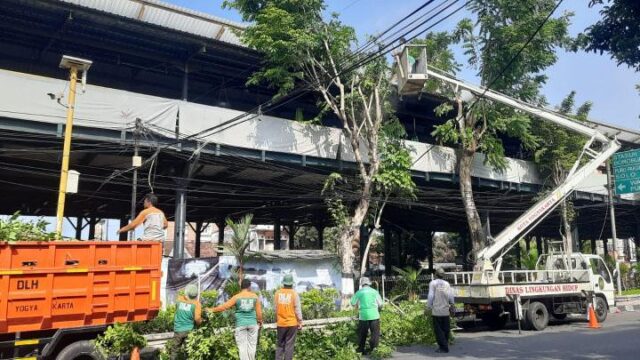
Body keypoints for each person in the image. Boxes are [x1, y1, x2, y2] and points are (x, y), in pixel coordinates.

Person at [210, 279, 263, 360]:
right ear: (249, 287)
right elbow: (259, 313)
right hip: (252, 324)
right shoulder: (255, 297)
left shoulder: (236, 297)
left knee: (242, 348)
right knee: (252, 347)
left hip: (240, 324)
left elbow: (224, 306)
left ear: (241, 287)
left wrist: (212, 310)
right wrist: (259, 321)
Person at [350, 277, 383, 355]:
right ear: (369, 283)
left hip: (363, 316)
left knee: (362, 334)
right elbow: (381, 304)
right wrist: (378, 309)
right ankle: (374, 349)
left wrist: (358, 304)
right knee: (375, 333)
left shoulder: (359, 292)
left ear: (362, 284)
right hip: (374, 315)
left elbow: (352, 303)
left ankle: (361, 350)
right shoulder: (374, 292)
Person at [274, 274, 303, 360]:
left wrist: (278, 318)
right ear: (291, 284)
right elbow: (297, 309)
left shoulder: (277, 293)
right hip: (292, 323)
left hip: (281, 324)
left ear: (283, 283)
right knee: (289, 346)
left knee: (280, 345)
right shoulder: (294, 294)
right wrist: (300, 321)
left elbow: (275, 308)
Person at [427, 267, 455, 353]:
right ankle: (445, 345)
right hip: (445, 311)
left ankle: (443, 347)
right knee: (446, 329)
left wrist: (428, 306)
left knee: (439, 331)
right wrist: (453, 305)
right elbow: (450, 295)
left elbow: (431, 296)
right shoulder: (447, 284)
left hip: (437, 312)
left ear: (435, 274)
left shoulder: (433, 283)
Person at [172, 284, 202, 359]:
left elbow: (177, 309)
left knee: (175, 350)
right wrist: (200, 323)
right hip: (189, 331)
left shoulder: (179, 299)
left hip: (178, 329)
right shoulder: (196, 304)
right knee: (188, 351)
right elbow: (197, 319)